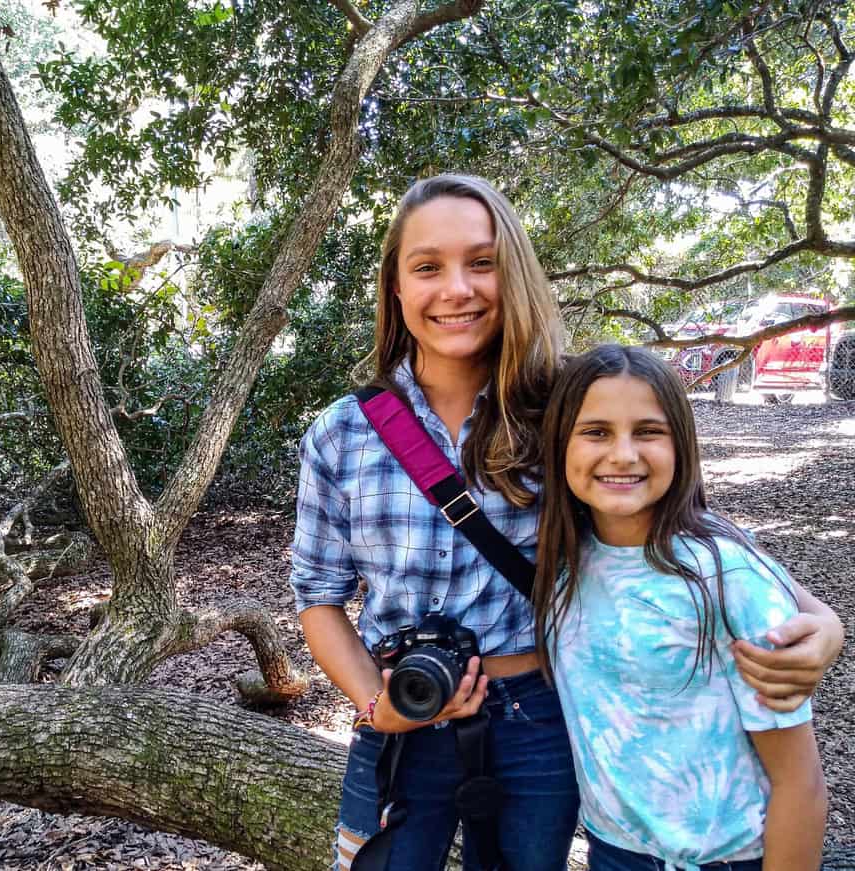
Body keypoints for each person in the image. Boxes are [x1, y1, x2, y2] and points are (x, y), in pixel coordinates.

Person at [288, 173, 843, 871]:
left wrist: (822, 620)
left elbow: (682, 522)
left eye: (482, 262)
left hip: (536, 718)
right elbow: (318, 594)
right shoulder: (344, 432)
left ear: (512, 273)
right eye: (427, 266)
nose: (456, 289)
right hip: (405, 707)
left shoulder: (565, 408)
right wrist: (374, 703)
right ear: (396, 288)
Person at [532, 344, 828, 871]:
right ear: (559, 445)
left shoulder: (726, 574)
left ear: (681, 444)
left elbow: (798, 782)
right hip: (612, 851)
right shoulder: (561, 559)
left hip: (729, 860)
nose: (623, 454)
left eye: (648, 431)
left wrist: (830, 623)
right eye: (596, 431)